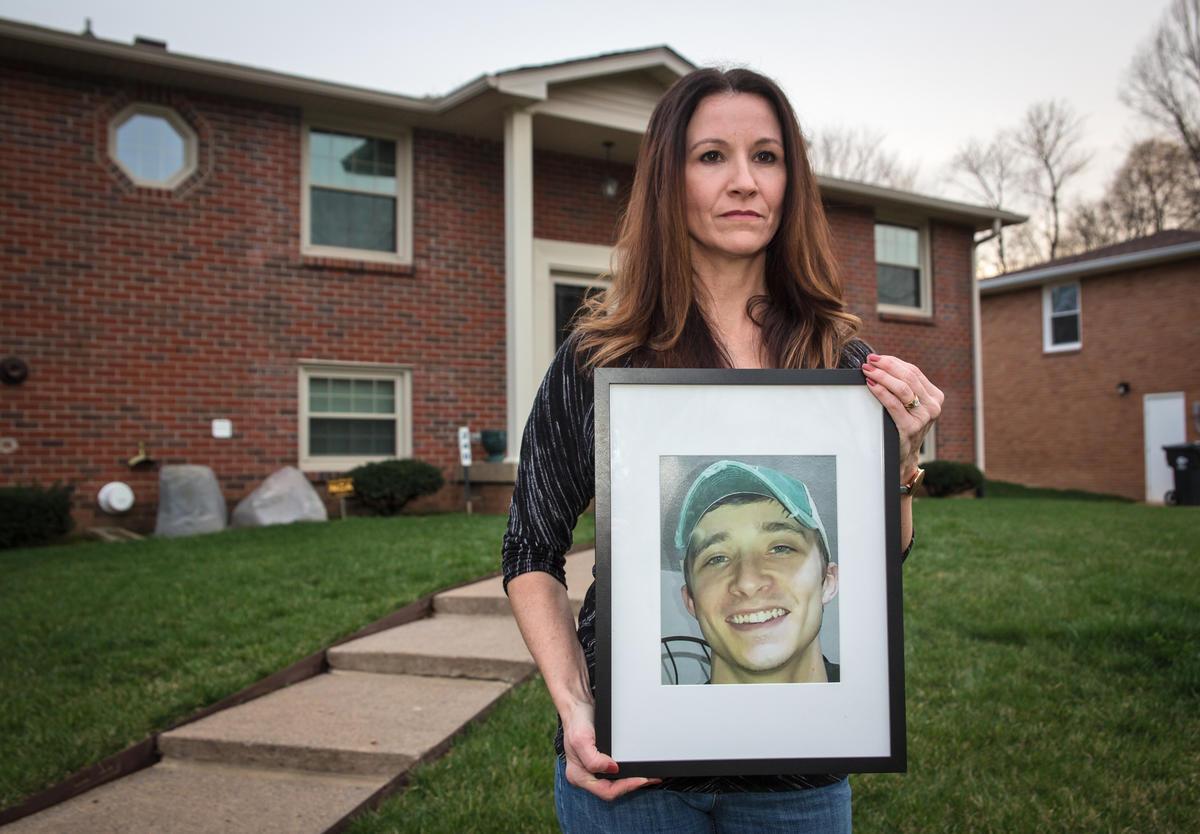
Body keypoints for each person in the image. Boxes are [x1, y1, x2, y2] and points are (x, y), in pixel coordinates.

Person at [502, 65, 941, 833]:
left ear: (791, 181)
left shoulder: (842, 364)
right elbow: (531, 548)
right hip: (630, 776)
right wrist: (576, 708)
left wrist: (901, 463)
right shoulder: (599, 359)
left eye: (766, 157)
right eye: (712, 156)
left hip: (798, 778)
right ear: (669, 180)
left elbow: (879, 563)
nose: (744, 181)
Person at [674, 460, 839, 685]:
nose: (748, 582)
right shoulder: (667, 718)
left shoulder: (871, 699)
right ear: (691, 601)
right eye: (717, 558)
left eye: (780, 548)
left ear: (828, 582)